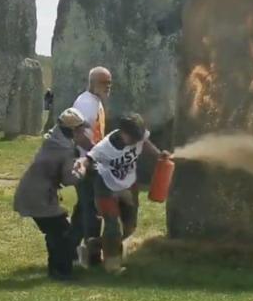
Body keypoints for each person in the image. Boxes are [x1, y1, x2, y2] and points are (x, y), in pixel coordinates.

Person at [86, 112, 171, 273]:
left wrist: (159, 154)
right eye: (133, 138)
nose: (136, 141)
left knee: (129, 229)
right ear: (122, 132)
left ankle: (94, 245)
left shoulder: (138, 135)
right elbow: (88, 158)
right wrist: (81, 166)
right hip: (106, 186)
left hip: (129, 184)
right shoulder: (104, 147)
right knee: (112, 227)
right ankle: (112, 265)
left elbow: (145, 142)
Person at [13, 108, 88, 281]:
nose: (83, 131)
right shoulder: (65, 150)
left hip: (32, 192)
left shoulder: (53, 141)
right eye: (80, 128)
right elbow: (69, 179)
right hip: (39, 197)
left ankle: (57, 269)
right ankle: (61, 272)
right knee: (61, 233)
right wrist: (83, 167)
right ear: (72, 130)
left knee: (56, 231)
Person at [69, 67, 112, 267]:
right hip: (86, 162)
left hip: (91, 162)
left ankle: (68, 251)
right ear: (93, 83)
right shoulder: (86, 103)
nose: (108, 87)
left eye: (109, 83)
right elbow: (79, 134)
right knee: (93, 210)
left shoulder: (96, 102)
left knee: (83, 210)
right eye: (105, 83)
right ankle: (93, 258)